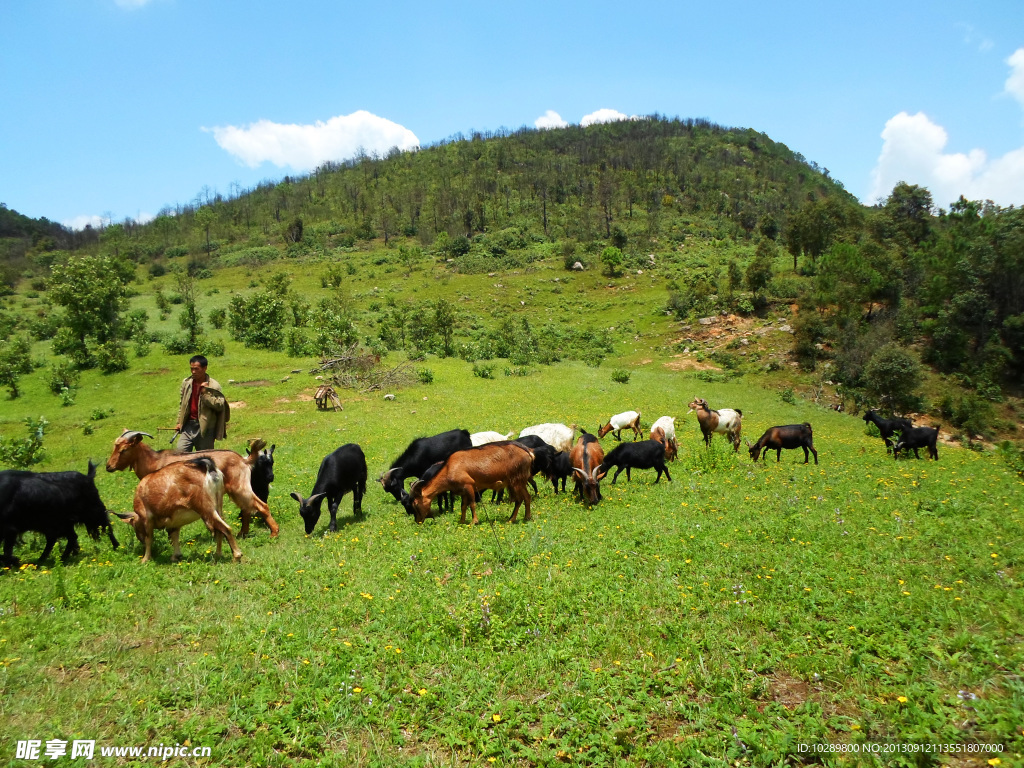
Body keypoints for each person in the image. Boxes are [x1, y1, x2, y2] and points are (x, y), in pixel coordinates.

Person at [174, 355, 229, 452]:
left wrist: (205, 393)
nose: (193, 372)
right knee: (180, 452)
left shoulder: (214, 385)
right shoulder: (187, 383)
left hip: (206, 427)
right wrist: (179, 422)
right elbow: (182, 404)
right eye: (191, 369)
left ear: (205, 368)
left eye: (196, 369)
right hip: (188, 426)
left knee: (204, 458)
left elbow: (220, 406)